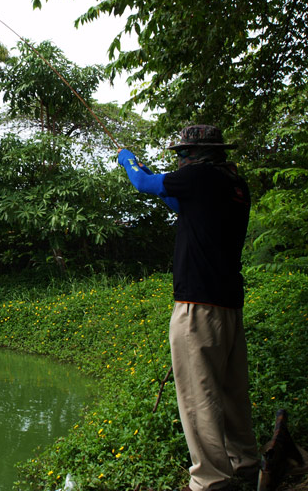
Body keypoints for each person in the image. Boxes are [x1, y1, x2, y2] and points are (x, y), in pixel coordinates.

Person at [117, 124, 259, 491]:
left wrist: (130, 163)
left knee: (198, 394)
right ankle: (245, 463)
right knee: (231, 389)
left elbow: (144, 186)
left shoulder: (199, 177)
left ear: (197, 155)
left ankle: (211, 479)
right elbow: (177, 201)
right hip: (229, 305)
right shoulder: (234, 185)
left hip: (197, 306)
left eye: (182, 154)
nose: (179, 160)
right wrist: (153, 176)